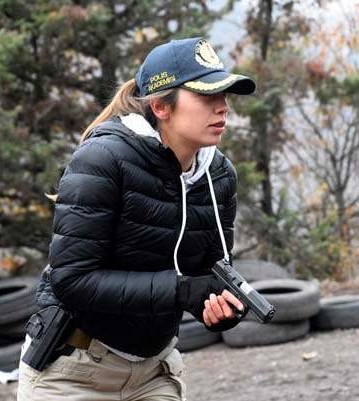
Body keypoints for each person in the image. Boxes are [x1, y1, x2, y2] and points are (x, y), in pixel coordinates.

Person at [17, 37, 256, 401]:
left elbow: (212, 270)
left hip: (154, 371)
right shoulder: (101, 160)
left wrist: (218, 306)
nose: (223, 108)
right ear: (161, 106)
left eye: (224, 96)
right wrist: (179, 290)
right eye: (207, 97)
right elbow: (72, 280)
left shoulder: (220, 175)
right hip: (72, 373)